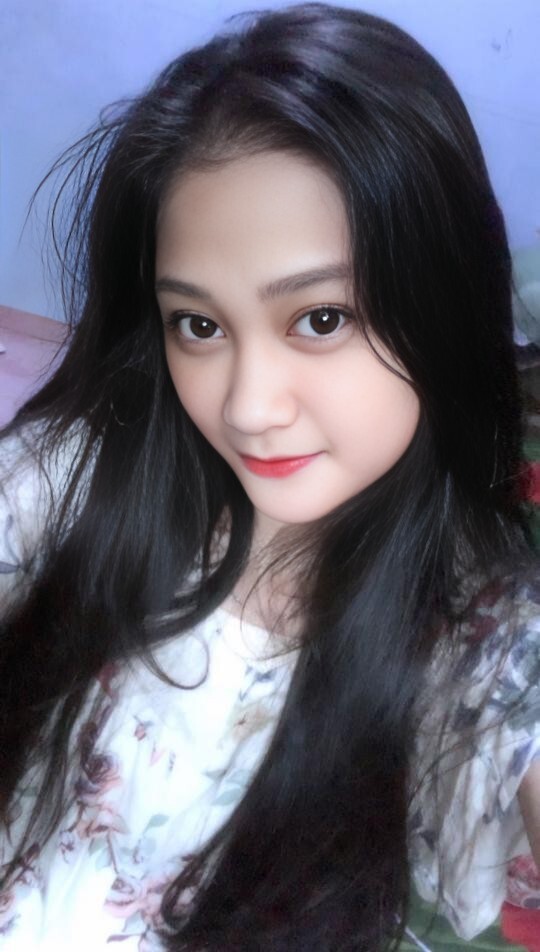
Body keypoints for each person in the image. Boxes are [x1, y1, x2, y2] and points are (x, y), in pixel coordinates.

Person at [0, 3, 539, 949]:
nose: (247, 406)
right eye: (199, 325)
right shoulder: (89, 473)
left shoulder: (480, 635)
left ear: (443, 299)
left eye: (320, 319)